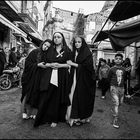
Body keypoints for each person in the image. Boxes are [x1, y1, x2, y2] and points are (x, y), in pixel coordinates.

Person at [34, 32, 71, 128]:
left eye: (58, 37)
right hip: (48, 75)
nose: (56, 39)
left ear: (62, 38)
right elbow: (44, 62)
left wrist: (60, 65)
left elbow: (69, 64)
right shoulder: (50, 49)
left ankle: (55, 119)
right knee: (45, 97)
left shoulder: (67, 50)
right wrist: (50, 65)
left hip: (61, 76)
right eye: (54, 37)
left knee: (57, 99)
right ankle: (42, 118)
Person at [65, 36, 96, 127]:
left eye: (79, 42)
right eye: (75, 42)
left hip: (83, 80)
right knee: (71, 95)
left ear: (83, 43)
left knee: (80, 97)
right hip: (73, 78)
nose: (77, 44)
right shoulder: (73, 52)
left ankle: (79, 118)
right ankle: (71, 117)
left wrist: (72, 64)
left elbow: (88, 68)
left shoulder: (87, 54)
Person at [21, 39, 52, 120]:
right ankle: (25, 112)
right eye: (45, 45)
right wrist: (38, 65)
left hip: (40, 79)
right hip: (31, 78)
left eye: (48, 47)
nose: (46, 47)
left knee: (37, 95)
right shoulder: (35, 52)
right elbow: (27, 63)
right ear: (42, 44)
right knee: (28, 94)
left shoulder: (47, 55)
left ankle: (34, 113)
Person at [108, 53, 126, 129]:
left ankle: (114, 110)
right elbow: (108, 78)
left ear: (122, 60)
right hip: (114, 87)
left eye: (120, 59)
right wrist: (111, 86)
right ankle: (115, 121)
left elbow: (124, 79)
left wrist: (125, 89)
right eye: (116, 58)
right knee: (116, 103)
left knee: (120, 103)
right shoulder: (111, 69)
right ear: (114, 60)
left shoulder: (124, 69)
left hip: (121, 88)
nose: (118, 60)